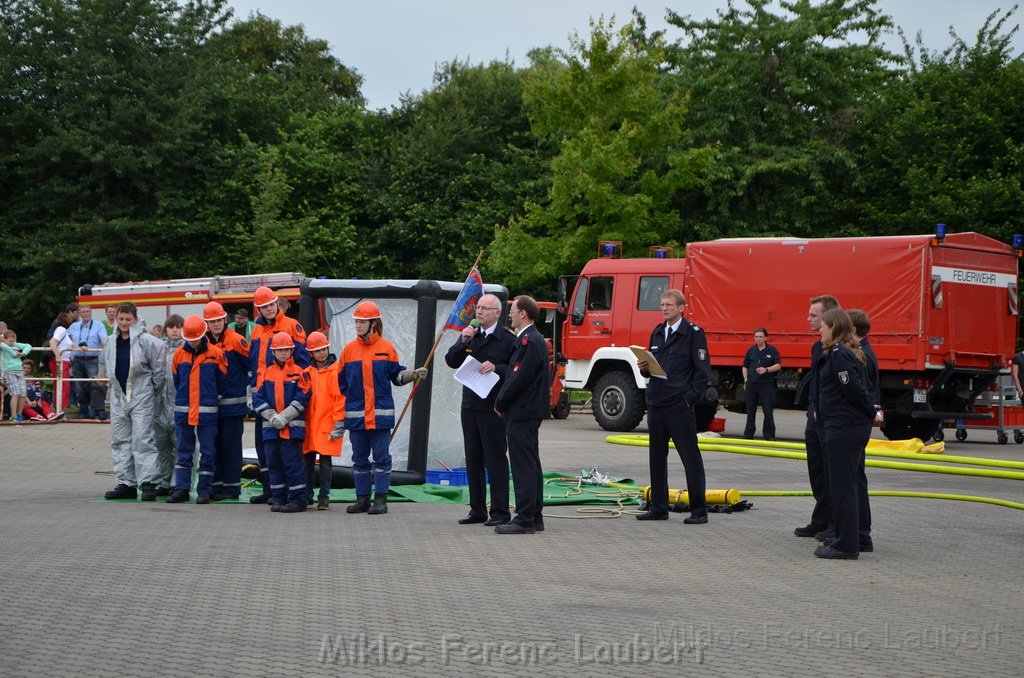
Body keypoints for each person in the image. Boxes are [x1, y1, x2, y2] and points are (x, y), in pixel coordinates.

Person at [337, 301, 427, 515]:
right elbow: (341, 385)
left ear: (373, 323)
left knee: (381, 459)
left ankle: (380, 499)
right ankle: (362, 499)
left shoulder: (386, 348)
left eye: (362, 322)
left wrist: (412, 375)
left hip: (380, 417)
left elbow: (396, 375)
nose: (358, 326)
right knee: (359, 460)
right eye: (356, 322)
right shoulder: (348, 351)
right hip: (357, 417)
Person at [634, 290, 711, 524]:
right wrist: (643, 367)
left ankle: (699, 510)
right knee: (656, 457)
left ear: (681, 308)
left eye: (669, 305)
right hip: (656, 402)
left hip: (678, 405)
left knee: (690, 456)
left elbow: (702, 372)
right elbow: (652, 369)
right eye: (662, 304)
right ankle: (658, 507)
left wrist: (689, 399)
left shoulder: (693, 334)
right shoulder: (658, 332)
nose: (664, 308)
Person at [444, 293, 515, 526]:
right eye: (478, 308)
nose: (479, 312)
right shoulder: (470, 333)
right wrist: (463, 340)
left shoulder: (507, 338)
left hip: (494, 406)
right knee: (473, 458)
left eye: (485, 308)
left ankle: (500, 511)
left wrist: (497, 367)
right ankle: (477, 509)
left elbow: (516, 370)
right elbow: (451, 360)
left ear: (497, 312)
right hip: (470, 404)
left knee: (495, 458)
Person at [813, 308, 876, 560]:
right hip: (845, 426)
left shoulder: (839, 355)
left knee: (843, 488)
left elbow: (854, 390)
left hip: (843, 427)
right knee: (846, 485)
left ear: (834, 328)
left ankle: (846, 544)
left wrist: (871, 411)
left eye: (823, 326)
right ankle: (847, 537)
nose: (819, 329)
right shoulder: (845, 353)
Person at [493, 295, 549, 534]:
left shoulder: (528, 341)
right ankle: (534, 515)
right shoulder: (531, 339)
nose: (510, 314)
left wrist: (501, 400)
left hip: (522, 410)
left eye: (513, 311)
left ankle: (525, 518)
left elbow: (517, 376)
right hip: (529, 410)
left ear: (523, 313)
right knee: (531, 462)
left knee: (522, 465)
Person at [248, 286, 309, 504]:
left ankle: (289, 494)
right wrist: (252, 390)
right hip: (264, 395)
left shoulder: (292, 326)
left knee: (288, 451)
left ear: (277, 303)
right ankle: (270, 489)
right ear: (258, 310)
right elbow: (253, 362)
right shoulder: (256, 330)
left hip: (287, 392)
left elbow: (302, 363)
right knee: (265, 447)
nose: (268, 310)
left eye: (271, 305)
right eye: (263, 307)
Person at [100, 302, 167, 500]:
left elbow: (159, 370)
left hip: (142, 395)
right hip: (118, 396)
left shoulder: (148, 342)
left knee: (143, 439)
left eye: (128, 319)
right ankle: (126, 482)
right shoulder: (110, 342)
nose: (124, 323)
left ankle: (148, 482)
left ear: (135, 319)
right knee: (120, 440)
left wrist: (151, 392)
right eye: (121, 319)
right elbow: (109, 368)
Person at [794, 294, 841, 540]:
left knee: (831, 471)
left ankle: (835, 523)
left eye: (814, 315)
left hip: (830, 419)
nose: (808, 319)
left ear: (829, 318)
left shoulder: (840, 350)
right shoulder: (817, 346)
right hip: (815, 417)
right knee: (817, 470)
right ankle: (820, 518)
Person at [166, 315, 227, 505]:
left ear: (202, 334)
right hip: (184, 411)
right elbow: (177, 381)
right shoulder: (178, 355)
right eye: (189, 339)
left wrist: (210, 399)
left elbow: (222, 381)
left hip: (206, 412)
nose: (192, 343)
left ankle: (204, 490)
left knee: (208, 452)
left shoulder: (216, 354)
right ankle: (182, 489)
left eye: (195, 339)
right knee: (184, 451)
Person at [253, 332, 311, 513]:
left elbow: (303, 398)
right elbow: (258, 399)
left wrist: (284, 417)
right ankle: (278, 498)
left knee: (292, 465)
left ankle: (298, 500)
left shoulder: (300, 373)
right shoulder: (266, 373)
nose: (284, 353)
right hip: (271, 430)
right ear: (274, 352)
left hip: (292, 430)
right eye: (280, 350)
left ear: (292, 351)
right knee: (274, 465)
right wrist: (272, 416)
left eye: (287, 350)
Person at [203, 302, 250, 501]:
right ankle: (215, 486)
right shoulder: (203, 342)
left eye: (218, 321)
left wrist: (245, 394)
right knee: (213, 447)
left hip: (233, 405)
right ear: (206, 323)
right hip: (211, 406)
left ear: (225, 320)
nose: (216, 325)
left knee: (231, 448)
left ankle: (231, 488)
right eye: (211, 322)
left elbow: (251, 367)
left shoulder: (237, 341)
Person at [846, 309, 881, 552]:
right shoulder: (865, 353)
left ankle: (860, 533)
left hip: (855, 425)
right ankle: (860, 533)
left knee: (855, 480)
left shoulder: (862, 356)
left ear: (854, 330)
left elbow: (861, 393)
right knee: (857, 478)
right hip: (860, 424)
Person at [302, 331, 346, 510]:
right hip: (310, 425)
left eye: (324, 349)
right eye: (318, 350)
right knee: (307, 463)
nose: (322, 353)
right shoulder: (306, 373)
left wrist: (339, 422)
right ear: (311, 353)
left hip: (326, 424)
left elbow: (339, 397)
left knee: (326, 464)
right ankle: (307, 496)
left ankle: (324, 498)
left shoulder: (336, 371)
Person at [153, 315, 184, 495]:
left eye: (178, 327)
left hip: (179, 405)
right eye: (171, 327)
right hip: (159, 405)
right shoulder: (158, 348)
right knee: (161, 447)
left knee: (181, 446)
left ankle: (177, 482)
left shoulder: (188, 349)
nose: (174, 330)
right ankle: (164, 481)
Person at [67, 305, 108, 420]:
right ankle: (84, 410)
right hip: (78, 360)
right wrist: (76, 347)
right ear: (79, 314)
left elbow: (104, 340)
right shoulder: (74, 326)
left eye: (87, 311)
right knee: (80, 387)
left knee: (96, 386)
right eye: (83, 312)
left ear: (91, 312)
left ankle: (97, 409)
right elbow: (67, 341)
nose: (86, 314)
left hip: (92, 359)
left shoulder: (98, 325)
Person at [742, 328, 780, 441]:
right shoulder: (751, 351)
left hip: (766, 385)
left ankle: (769, 435)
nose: (758, 339)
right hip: (752, 384)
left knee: (768, 410)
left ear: (766, 338)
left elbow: (778, 365)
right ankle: (748, 434)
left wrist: (766, 370)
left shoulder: (772, 351)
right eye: (756, 337)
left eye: (760, 337)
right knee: (750, 410)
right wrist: (745, 379)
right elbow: (745, 366)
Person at [1, 330, 32, 422]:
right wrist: (14, 354)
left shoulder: (15, 344)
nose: (12, 343)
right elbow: (3, 346)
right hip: (9, 371)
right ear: (5, 339)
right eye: (10, 341)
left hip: (19, 370)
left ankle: (19, 414)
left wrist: (23, 353)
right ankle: (13, 415)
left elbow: (28, 346)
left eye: (13, 341)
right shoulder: (2, 345)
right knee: (15, 392)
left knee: (23, 392)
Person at [47, 312, 75, 411]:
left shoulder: (63, 331)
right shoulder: (61, 329)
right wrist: (58, 356)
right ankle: (59, 409)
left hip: (64, 362)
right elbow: (52, 342)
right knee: (62, 386)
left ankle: (58, 408)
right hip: (60, 362)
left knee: (61, 385)